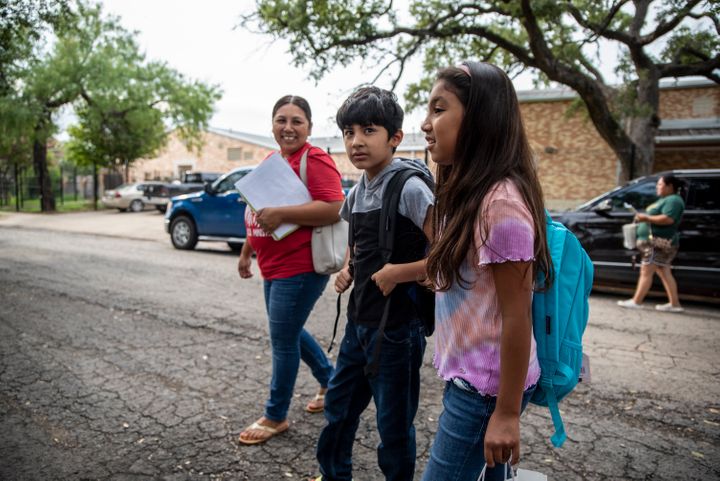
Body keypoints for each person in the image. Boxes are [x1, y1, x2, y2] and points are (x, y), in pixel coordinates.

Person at [419, 61, 552, 481]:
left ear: (480, 119)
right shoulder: (471, 193)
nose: (426, 124)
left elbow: (517, 314)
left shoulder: (501, 203)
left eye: (439, 109)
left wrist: (507, 414)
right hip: (477, 378)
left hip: (485, 388)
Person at [311, 87, 434, 481]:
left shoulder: (410, 188)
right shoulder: (356, 192)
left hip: (398, 329)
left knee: (393, 429)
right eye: (349, 132)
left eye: (368, 130)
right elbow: (357, 246)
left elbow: (450, 257)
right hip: (358, 324)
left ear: (395, 137)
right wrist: (348, 269)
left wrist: (399, 272)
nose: (356, 141)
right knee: (338, 412)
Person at [237, 95, 344, 445]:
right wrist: (246, 252)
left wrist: (283, 214)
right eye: (281, 120)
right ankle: (331, 381)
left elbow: (333, 208)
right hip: (272, 265)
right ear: (272, 126)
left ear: (309, 128)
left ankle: (275, 415)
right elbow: (258, 212)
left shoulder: (314, 159)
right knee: (290, 332)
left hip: (300, 269)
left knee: (282, 340)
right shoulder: (273, 160)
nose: (288, 127)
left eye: (297, 121)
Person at [617, 175, 686, 312]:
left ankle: (637, 301)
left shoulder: (674, 200)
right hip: (660, 242)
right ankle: (674, 304)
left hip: (659, 242)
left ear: (670, 186)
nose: (657, 187)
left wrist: (645, 217)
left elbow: (668, 219)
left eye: (660, 184)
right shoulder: (667, 200)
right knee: (663, 271)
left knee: (646, 270)